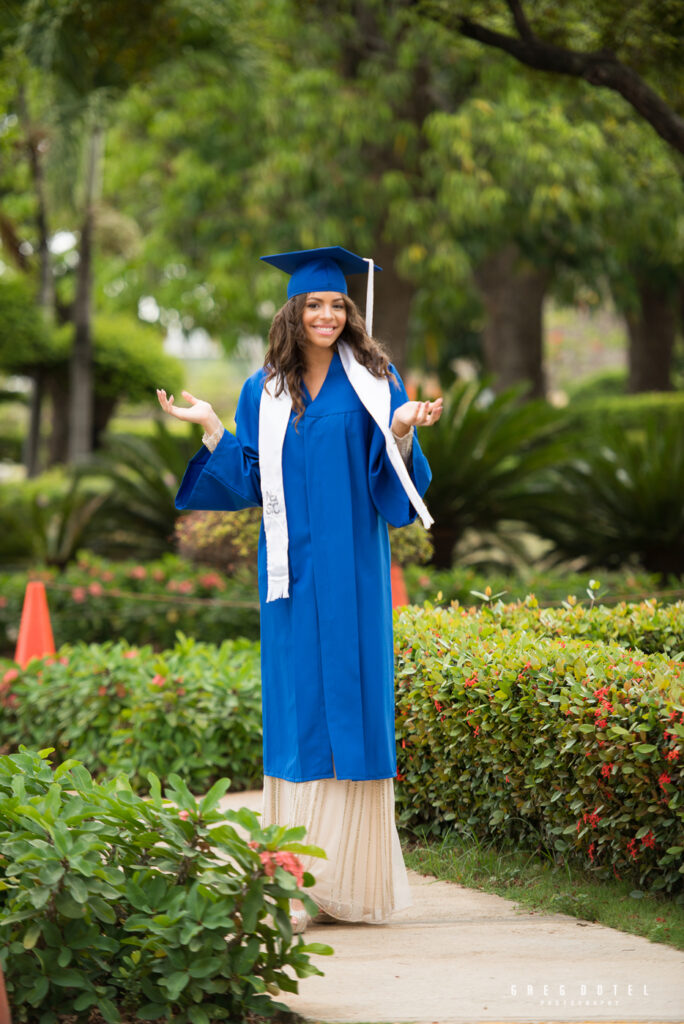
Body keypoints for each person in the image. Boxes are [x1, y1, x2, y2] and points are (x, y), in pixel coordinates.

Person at [156, 246, 442, 932]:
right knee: (298, 703)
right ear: (292, 313)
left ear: (350, 311)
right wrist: (209, 425)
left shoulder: (376, 378)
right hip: (288, 572)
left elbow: (389, 476)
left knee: (354, 694)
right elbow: (250, 476)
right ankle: (296, 881)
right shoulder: (266, 391)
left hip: (353, 568)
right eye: (313, 304)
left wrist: (402, 426)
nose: (326, 315)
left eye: (337, 304)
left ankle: (354, 883)